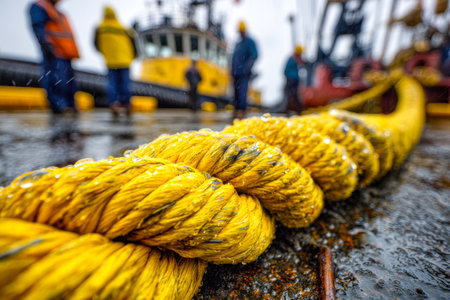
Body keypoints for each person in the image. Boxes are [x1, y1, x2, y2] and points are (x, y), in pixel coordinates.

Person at [29, 0, 80, 114]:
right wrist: (46, 45)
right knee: (56, 79)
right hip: (54, 51)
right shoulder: (41, 6)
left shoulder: (59, 13)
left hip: (66, 52)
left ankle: (70, 105)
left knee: (69, 80)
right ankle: (59, 105)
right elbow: (38, 26)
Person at [94, 6, 137, 117]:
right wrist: (134, 55)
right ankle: (126, 103)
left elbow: (96, 44)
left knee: (112, 83)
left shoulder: (100, 28)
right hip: (125, 60)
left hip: (110, 60)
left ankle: (114, 102)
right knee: (125, 83)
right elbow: (134, 44)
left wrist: (104, 53)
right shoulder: (124, 28)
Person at [231, 21, 258, 119]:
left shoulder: (250, 42)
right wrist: (232, 70)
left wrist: (248, 67)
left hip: (243, 73)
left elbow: (255, 55)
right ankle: (236, 110)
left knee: (242, 91)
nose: (241, 33)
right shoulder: (238, 44)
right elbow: (234, 58)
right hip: (235, 73)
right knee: (236, 93)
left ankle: (242, 111)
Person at [284, 44, 304, 115]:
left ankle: (292, 109)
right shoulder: (295, 59)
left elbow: (285, 70)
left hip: (291, 79)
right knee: (294, 94)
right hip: (294, 79)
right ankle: (298, 109)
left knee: (291, 94)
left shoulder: (292, 59)